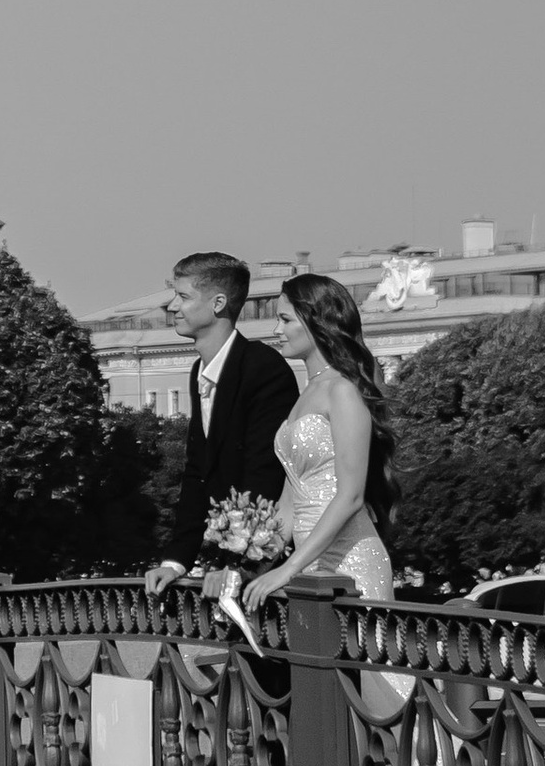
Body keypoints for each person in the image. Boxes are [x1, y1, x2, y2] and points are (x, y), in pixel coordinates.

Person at [244, 270, 397, 610]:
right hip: (309, 568)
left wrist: (287, 569)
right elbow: (288, 506)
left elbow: (351, 496)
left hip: (352, 566)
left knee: (366, 665)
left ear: (316, 323)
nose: (276, 331)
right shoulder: (307, 394)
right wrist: (246, 566)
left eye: (285, 319)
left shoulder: (342, 391)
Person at [161, 253, 299, 568]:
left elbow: (265, 473)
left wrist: (238, 566)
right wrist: (174, 562)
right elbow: (197, 473)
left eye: (183, 296)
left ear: (218, 303)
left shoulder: (262, 367)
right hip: (229, 558)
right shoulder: (199, 369)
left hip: (263, 563)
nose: (173, 307)